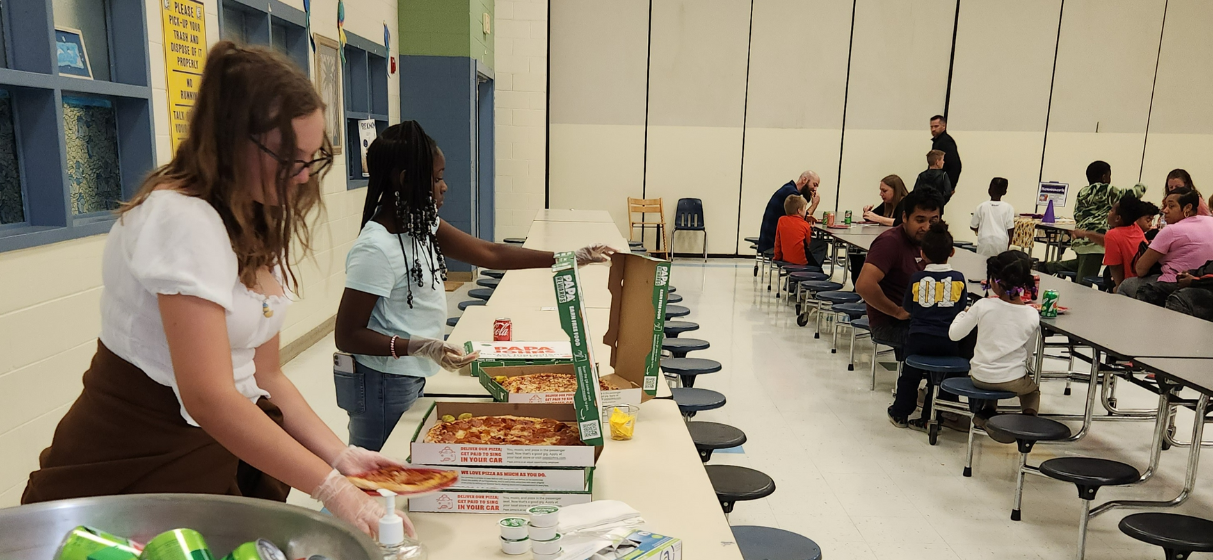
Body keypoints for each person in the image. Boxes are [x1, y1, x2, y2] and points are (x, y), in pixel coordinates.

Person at [22, 42, 407, 536]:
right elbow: (208, 397)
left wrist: (341, 455)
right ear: (231, 141)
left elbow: (266, 375)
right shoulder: (179, 217)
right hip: (134, 460)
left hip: (217, 448)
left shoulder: (258, 215)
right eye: (290, 159)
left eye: (314, 158)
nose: (305, 176)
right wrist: (333, 489)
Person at [334, 122, 615, 451]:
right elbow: (347, 334)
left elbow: (490, 253)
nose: (444, 187)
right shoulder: (375, 249)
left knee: (396, 465)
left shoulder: (421, 225)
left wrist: (566, 257)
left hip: (408, 374)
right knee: (376, 471)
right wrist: (417, 346)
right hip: (382, 381)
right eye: (436, 178)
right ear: (407, 180)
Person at [949, 251, 1042, 431]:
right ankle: (1028, 424)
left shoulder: (983, 306)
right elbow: (1028, 353)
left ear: (993, 281)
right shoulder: (1032, 314)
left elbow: (954, 334)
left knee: (993, 374)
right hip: (1012, 379)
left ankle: (988, 413)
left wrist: (963, 313)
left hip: (979, 377)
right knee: (1032, 391)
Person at [887, 221, 967, 428]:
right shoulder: (958, 279)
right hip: (948, 339)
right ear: (952, 252)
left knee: (910, 376)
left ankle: (900, 413)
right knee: (937, 379)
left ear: (922, 254)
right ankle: (931, 417)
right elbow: (960, 311)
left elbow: (908, 309)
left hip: (919, 337)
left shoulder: (916, 278)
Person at [855, 188, 942, 367]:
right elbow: (864, 285)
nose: (926, 227)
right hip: (891, 324)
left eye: (933, 221)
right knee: (946, 340)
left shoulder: (931, 243)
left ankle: (939, 391)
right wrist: (896, 311)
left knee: (967, 335)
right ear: (904, 218)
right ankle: (928, 391)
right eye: (920, 220)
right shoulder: (890, 243)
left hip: (922, 319)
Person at [1037, 161, 1147, 284]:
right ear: (1104, 177)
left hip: (1080, 241)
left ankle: (1048, 267)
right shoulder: (1106, 189)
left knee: (1080, 265)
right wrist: (1142, 186)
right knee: (1083, 283)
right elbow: (1129, 196)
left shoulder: (1082, 192)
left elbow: (1077, 214)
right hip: (1094, 243)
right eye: (1109, 175)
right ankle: (1077, 300)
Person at [1122, 187, 1213, 303]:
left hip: (1173, 284)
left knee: (1125, 285)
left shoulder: (1171, 230)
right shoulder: (1210, 221)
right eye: (1165, 206)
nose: (1165, 210)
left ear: (1188, 208)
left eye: (1171, 206)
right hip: (1205, 285)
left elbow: (1140, 269)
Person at [758, 171, 827, 266]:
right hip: (772, 244)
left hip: (769, 241)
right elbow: (801, 219)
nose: (815, 189)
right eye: (814, 185)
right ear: (804, 180)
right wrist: (815, 204)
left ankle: (806, 270)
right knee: (820, 245)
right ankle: (810, 272)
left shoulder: (788, 188)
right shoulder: (792, 194)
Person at [852, 175, 908, 282]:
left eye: (884, 191)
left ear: (896, 190)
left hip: (897, 245)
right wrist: (867, 213)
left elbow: (900, 222)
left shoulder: (905, 202)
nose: (881, 194)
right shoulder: (887, 203)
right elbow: (872, 217)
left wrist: (877, 218)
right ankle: (859, 285)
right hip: (886, 240)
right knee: (854, 251)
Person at [1102, 194, 1158, 292]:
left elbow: (1115, 266)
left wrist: (1119, 287)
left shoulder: (1112, 235)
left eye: (1111, 210)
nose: (1108, 213)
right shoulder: (1136, 228)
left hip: (1129, 284)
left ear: (1117, 218)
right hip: (1144, 281)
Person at [969, 177, 1016, 258]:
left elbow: (973, 226)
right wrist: (1008, 243)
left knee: (982, 264)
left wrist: (981, 230)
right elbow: (1010, 229)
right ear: (1005, 192)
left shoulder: (981, 206)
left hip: (984, 241)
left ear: (989, 190)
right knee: (999, 265)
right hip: (1001, 242)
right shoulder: (1009, 208)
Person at [773, 195, 816, 266]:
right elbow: (808, 244)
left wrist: (777, 257)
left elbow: (778, 242)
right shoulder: (805, 225)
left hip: (786, 259)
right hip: (801, 262)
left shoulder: (781, 220)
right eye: (805, 208)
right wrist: (811, 229)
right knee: (821, 246)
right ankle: (815, 269)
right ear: (799, 211)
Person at [930, 115, 962, 191]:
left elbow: (956, 165)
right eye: (931, 127)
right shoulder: (938, 141)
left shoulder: (946, 142)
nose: (933, 129)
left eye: (936, 126)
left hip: (941, 186)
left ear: (943, 126)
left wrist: (950, 187)